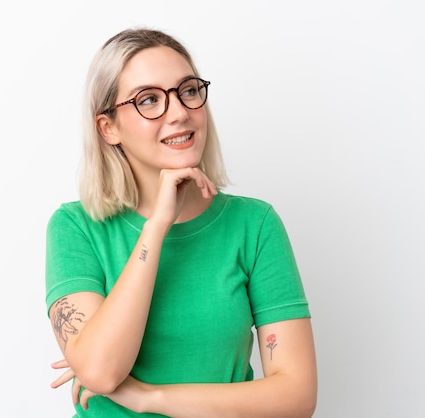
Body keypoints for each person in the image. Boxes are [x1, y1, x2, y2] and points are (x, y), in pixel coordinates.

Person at [45, 28, 317, 417]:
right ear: (109, 128)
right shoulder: (75, 227)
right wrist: (157, 226)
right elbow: (102, 373)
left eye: (188, 91)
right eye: (149, 100)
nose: (179, 113)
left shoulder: (254, 225)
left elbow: (296, 397)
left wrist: (150, 399)